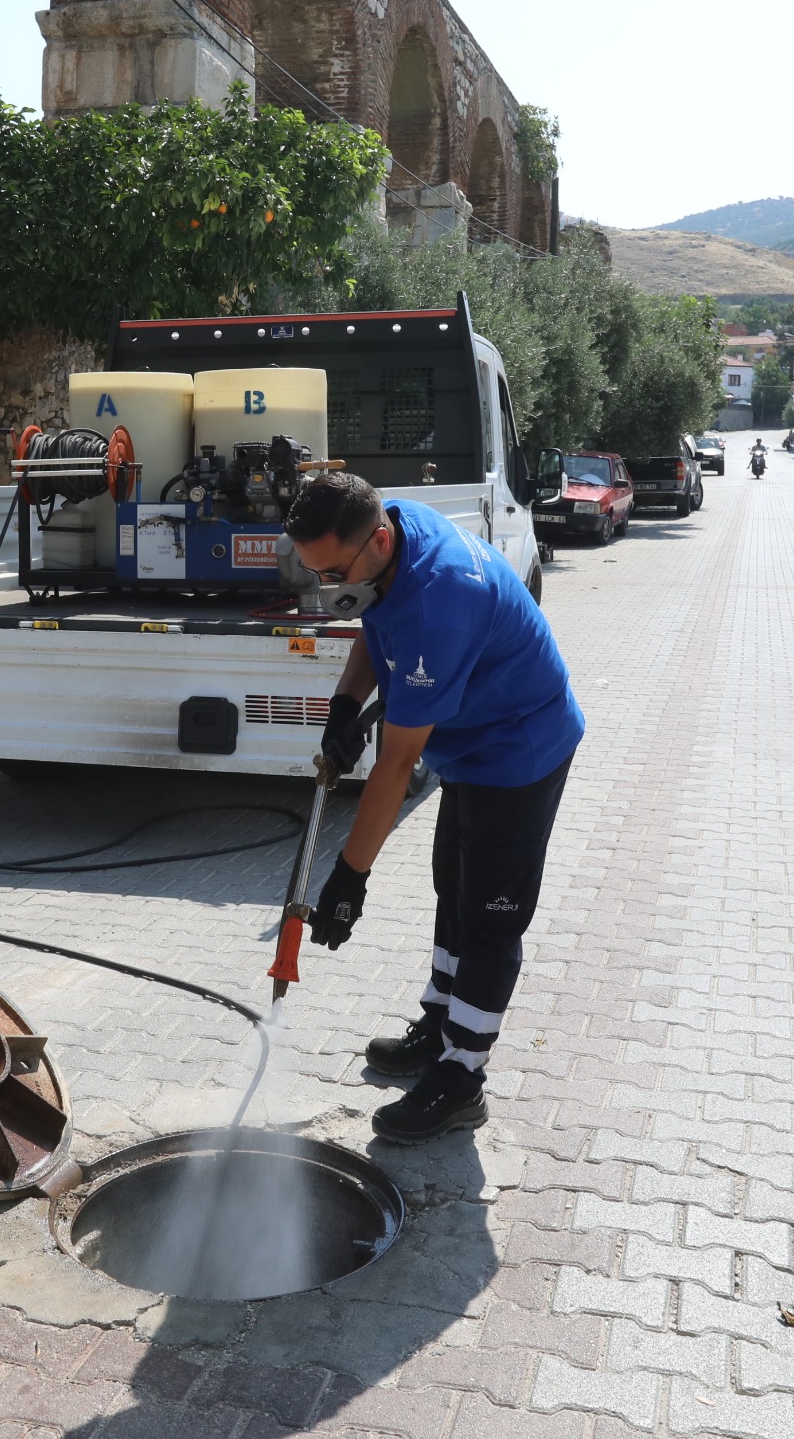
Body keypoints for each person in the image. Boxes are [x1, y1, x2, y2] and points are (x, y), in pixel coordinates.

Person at [285, 471, 586, 1144]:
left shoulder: (441, 599)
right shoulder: (394, 524)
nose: (329, 586)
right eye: (316, 572)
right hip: (471, 746)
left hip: (520, 747)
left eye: (333, 569)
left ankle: (461, 1079)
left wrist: (350, 877)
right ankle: (439, 1025)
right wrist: (343, 704)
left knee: (489, 920)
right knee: (453, 885)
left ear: (379, 539)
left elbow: (395, 764)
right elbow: (373, 615)